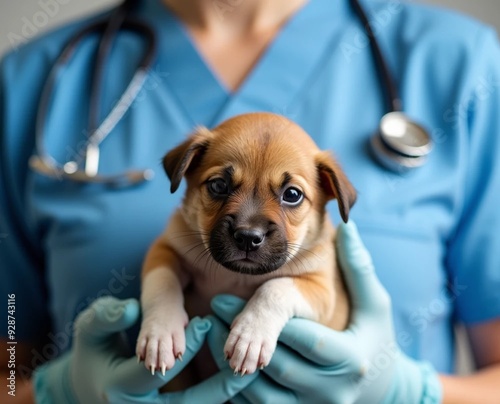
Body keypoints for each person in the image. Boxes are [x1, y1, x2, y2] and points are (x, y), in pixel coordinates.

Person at [1, 0, 499, 402]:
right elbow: (7, 372)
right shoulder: (34, 81)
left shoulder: (460, 62)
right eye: (219, 186)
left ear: (330, 197)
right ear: (188, 176)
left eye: (291, 196)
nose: (250, 227)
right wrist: (54, 393)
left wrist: (411, 393)